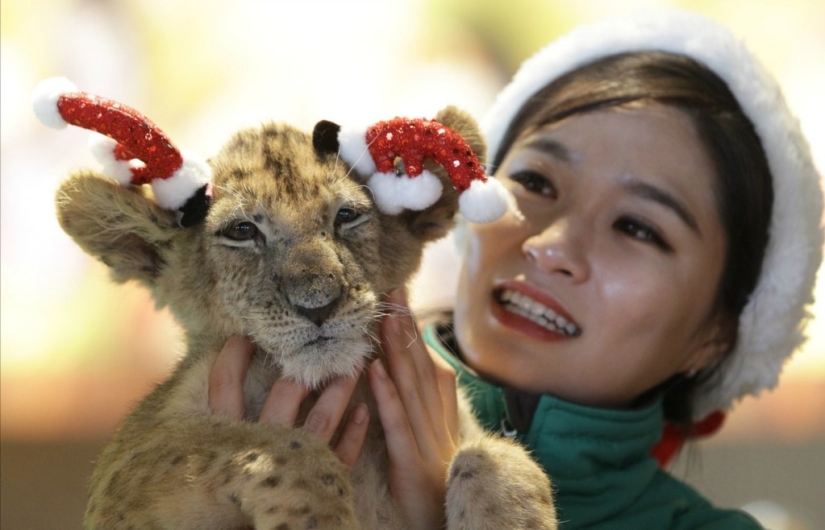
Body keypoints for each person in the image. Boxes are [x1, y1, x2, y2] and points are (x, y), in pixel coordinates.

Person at [208, 9, 822, 529]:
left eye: (638, 227)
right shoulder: (238, 397)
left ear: (718, 333)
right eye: (534, 181)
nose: (552, 244)